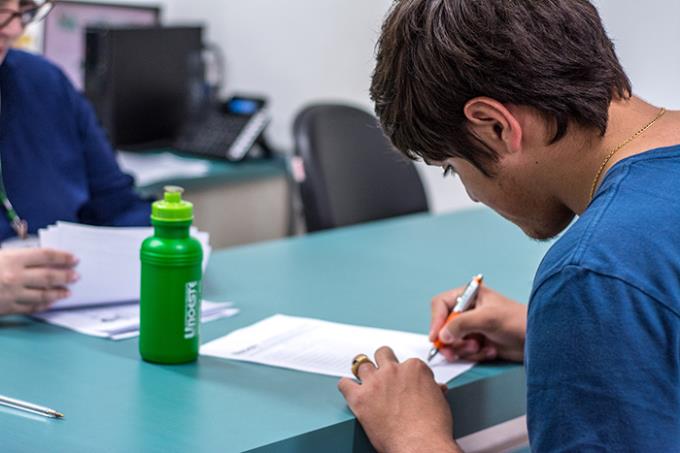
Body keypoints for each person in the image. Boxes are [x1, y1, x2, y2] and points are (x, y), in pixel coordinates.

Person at [338, 1, 680, 451]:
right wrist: (568, 336)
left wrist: (414, 437)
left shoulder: (591, 274)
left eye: (454, 169)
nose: (473, 195)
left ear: (495, 126)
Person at [0, 0, 150, 315]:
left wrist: (166, 245)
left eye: (23, 9)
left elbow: (115, 206)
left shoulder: (44, 83)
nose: (15, 28)